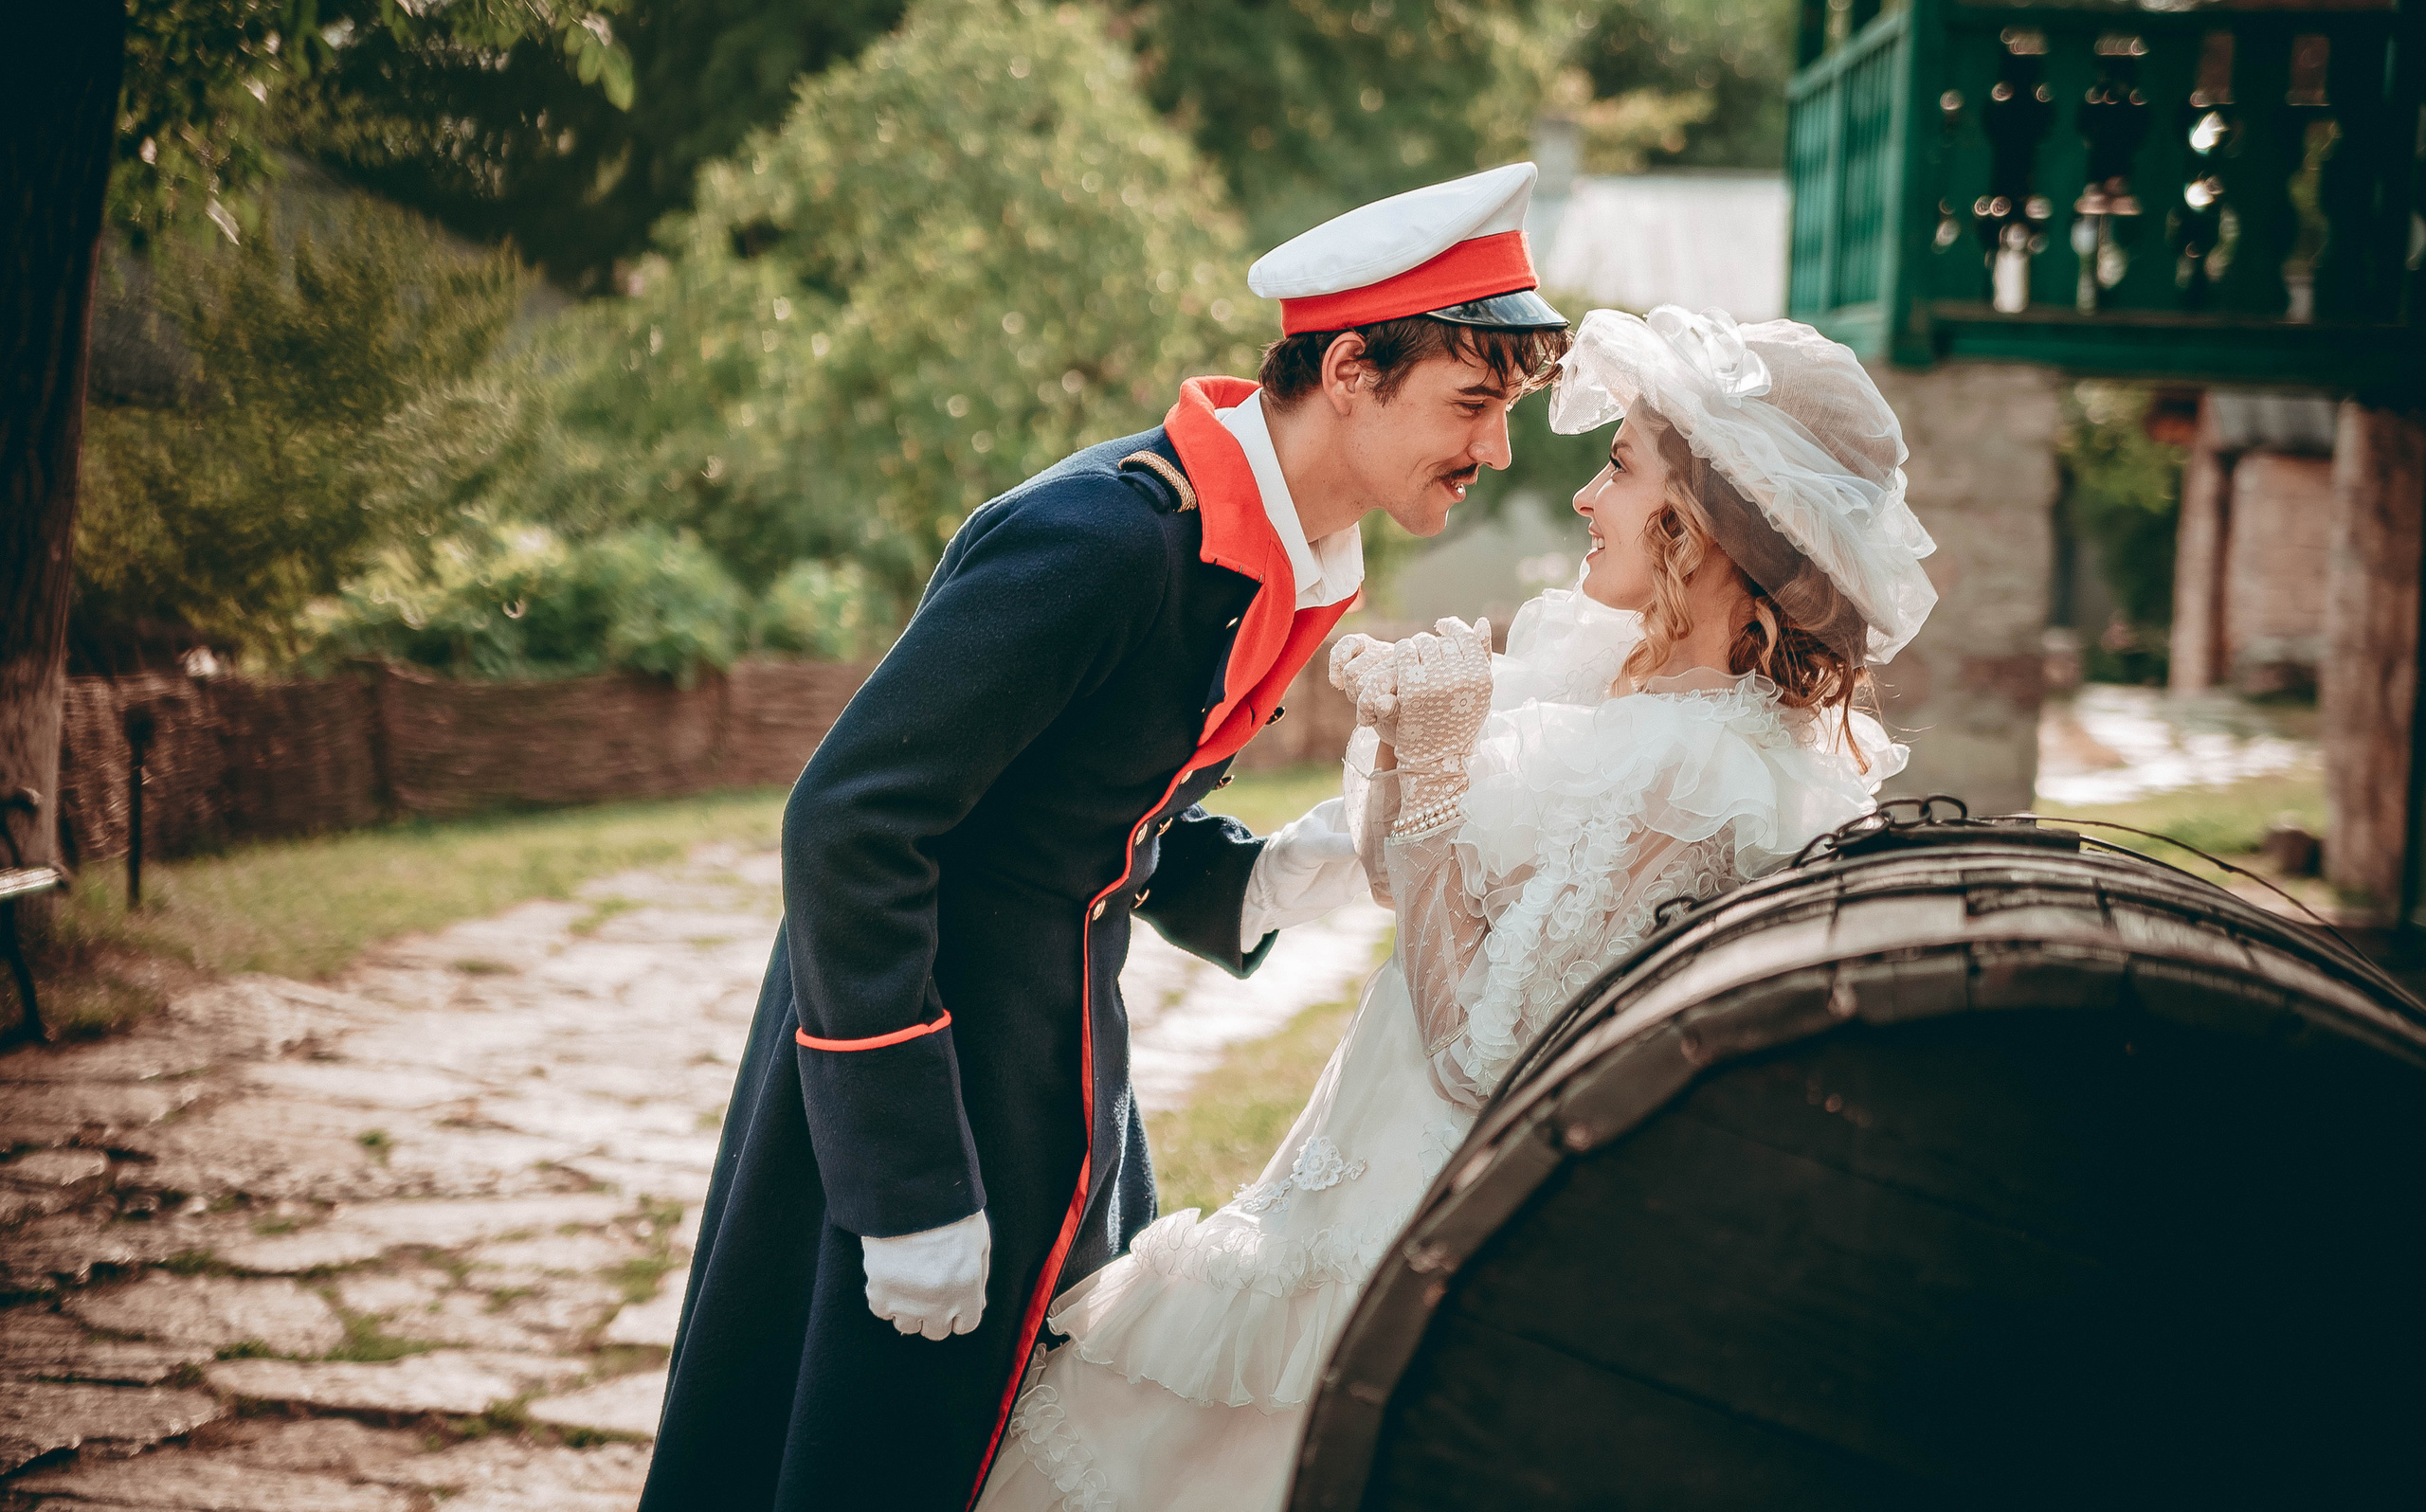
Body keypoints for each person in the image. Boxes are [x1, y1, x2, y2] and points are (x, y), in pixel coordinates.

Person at [639, 164, 1572, 1511]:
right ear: (1351, 369)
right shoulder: (1110, 537)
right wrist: (903, 1177)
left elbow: (1073, 807)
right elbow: (852, 824)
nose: (1495, 450)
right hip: (925, 1074)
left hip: (1054, 1076)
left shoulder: (1264, 543)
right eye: (1473, 402)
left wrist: (1257, 876)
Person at [970, 304, 1940, 1512]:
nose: (1585, 496)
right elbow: (1433, 885)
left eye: (1619, 467)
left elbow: (1485, 1050)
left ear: (1701, 523)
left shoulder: (1699, 771)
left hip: (1419, 1225)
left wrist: (1434, 766)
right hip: (1355, 1174)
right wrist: (1405, 746)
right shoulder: (1620, 682)